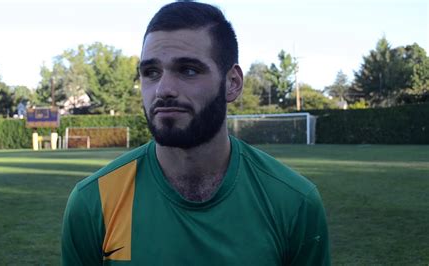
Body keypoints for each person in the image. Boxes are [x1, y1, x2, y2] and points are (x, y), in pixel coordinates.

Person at [61, 2, 330, 265]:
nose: (163, 89)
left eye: (188, 70)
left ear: (232, 83)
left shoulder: (293, 201)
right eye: (151, 72)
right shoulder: (93, 201)